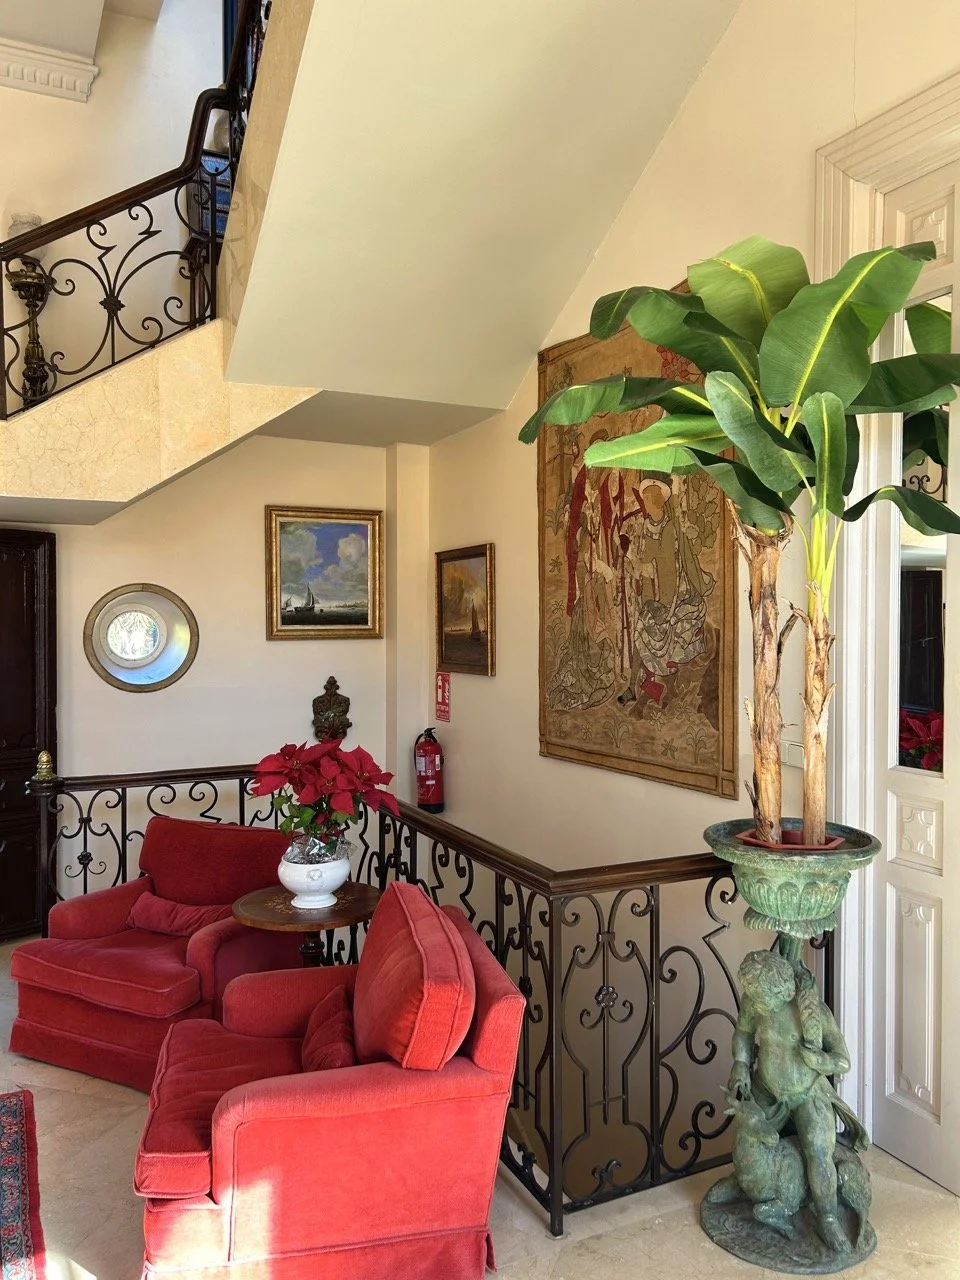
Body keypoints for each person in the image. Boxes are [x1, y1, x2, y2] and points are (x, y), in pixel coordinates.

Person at [726, 950, 868, 1254]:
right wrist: (740, 1064)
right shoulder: (755, 1002)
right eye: (752, 996)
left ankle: (827, 1216)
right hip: (767, 1087)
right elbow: (744, 1033)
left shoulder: (811, 1013)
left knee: (818, 1153)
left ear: (782, 991)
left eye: (761, 997)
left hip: (807, 1094)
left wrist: (820, 1060)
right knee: (747, 1136)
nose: (755, 1003)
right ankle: (743, 1182)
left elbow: (843, 1061)